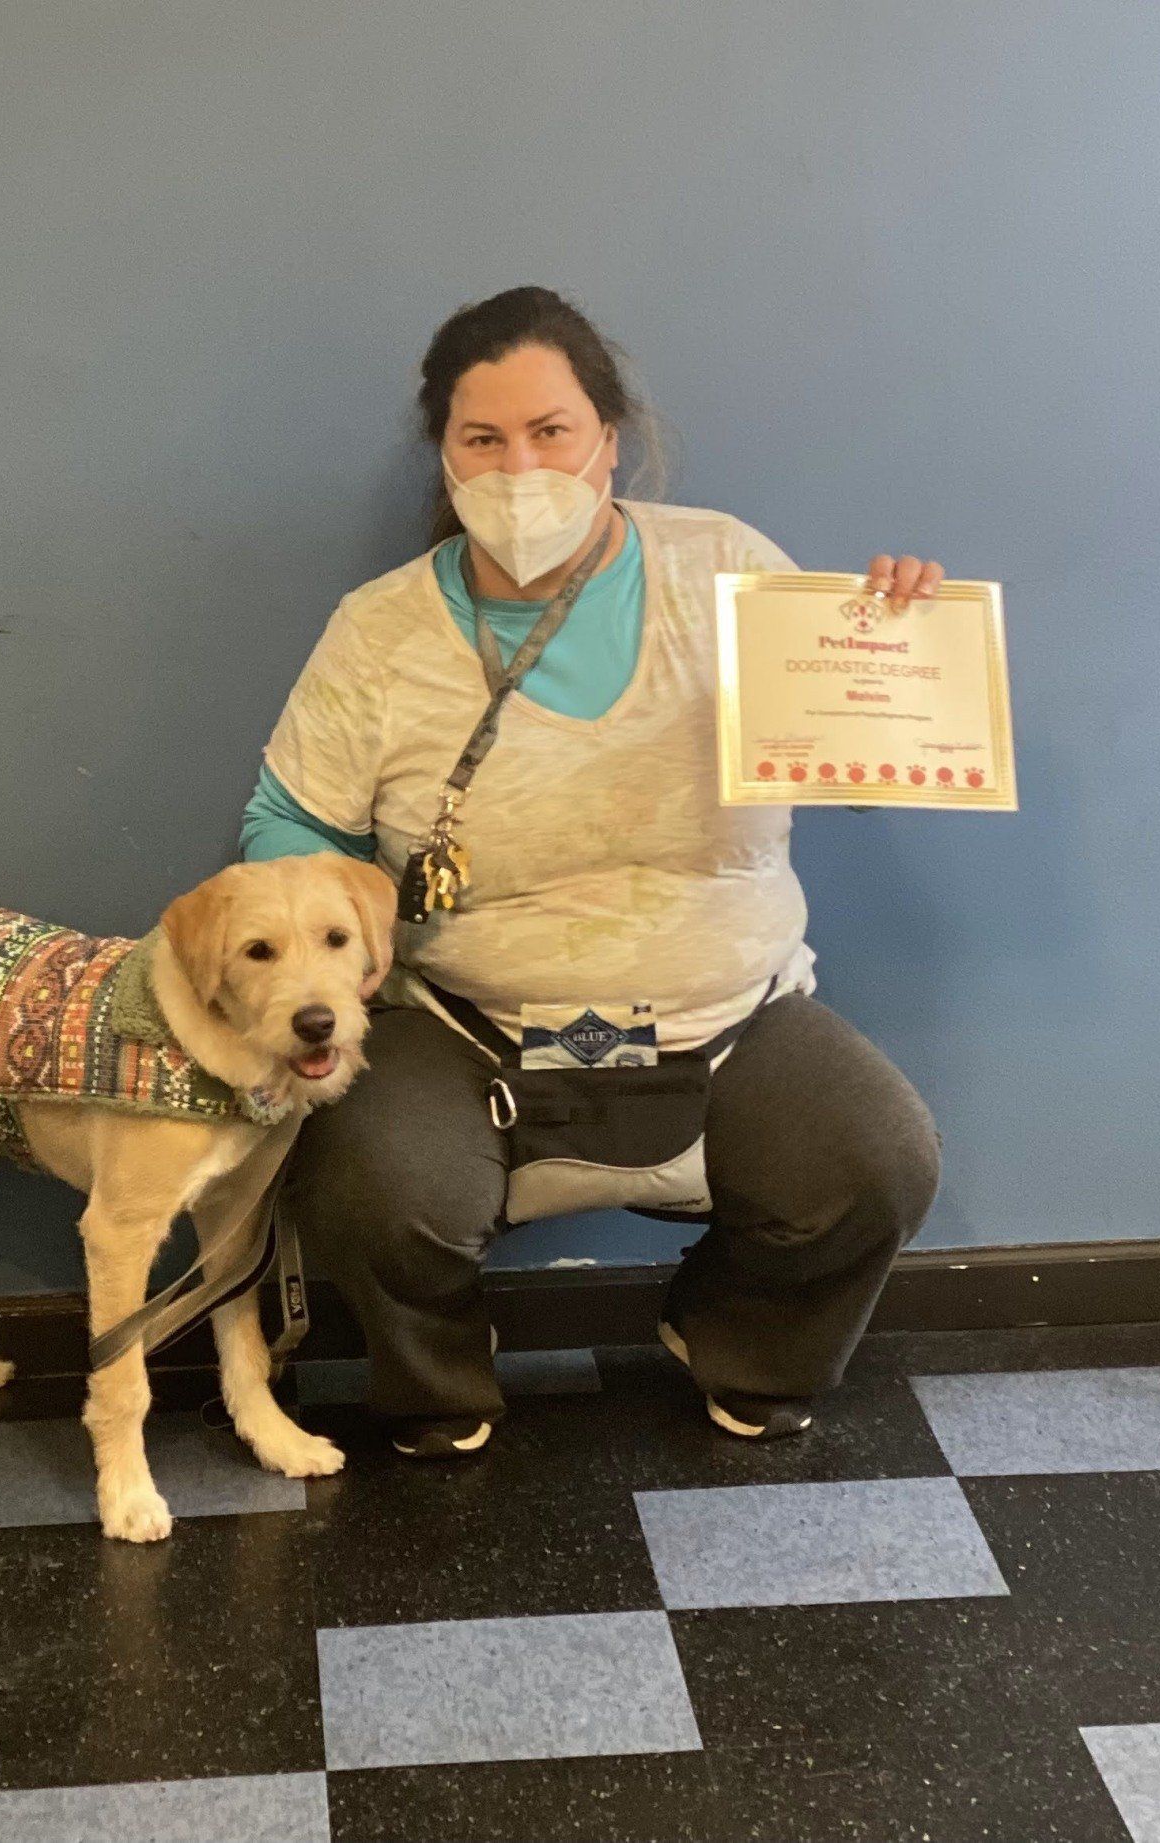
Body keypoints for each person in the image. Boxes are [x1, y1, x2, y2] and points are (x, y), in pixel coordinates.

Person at [241, 285, 944, 1458]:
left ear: (609, 440)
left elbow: (866, 754)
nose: (521, 465)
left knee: (878, 1160)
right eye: (485, 438)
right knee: (370, 1182)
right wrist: (337, 952)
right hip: (465, 1022)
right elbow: (289, 823)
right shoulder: (379, 630)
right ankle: (437, 1380)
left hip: (733, 1013)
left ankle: (742, 1340)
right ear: (446, 457)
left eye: (552, 430)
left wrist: (904, 655)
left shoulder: (725, 571)